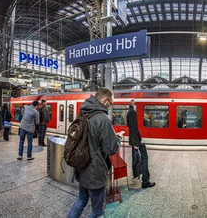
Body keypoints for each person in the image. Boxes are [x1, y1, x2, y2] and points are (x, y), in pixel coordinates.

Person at [67, 88, 124, 218]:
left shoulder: (83, 113)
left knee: (81, 200)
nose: (111, 106)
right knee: (97, 211)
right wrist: (117, 139)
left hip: (82, 166)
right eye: (111, 103)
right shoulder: (102, 119)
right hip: (95, 171)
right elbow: (110, 149)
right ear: (105, 100)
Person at [126, 99, 156, 188]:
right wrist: (137, 141)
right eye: (132, 101)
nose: (134, 102)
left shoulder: (129, 112)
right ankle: (145, 181)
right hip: (135, 139)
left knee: (137, 158)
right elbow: (133, 127)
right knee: (144, 158)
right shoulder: (132, 112)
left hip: (134, 139)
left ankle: (137, 174)